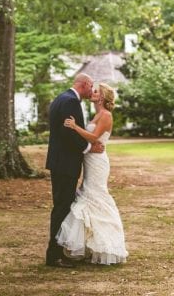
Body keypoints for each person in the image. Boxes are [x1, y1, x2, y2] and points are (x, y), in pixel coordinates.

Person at [56, 82, 128, 265]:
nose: (92, 93)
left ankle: (108, 245)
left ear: (102, 97)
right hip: (90, 158)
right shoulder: (97, 114)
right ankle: (91, 245)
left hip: (98, 162)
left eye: (95, 91)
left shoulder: (106, 115)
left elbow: (95, 137)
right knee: (88, 194)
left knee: (96, 195)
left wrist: (74, 127)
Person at [45, 73, 105, 268]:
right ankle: (54, 255)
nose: (92, 90)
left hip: (59, 162)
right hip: (65, 163)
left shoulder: (61, 98)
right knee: (62, 206)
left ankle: (56, 251)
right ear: (85, 84)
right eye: (91, 86)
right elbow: (68, 133)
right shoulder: (71, 101)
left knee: (61, 205)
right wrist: (89, 148)